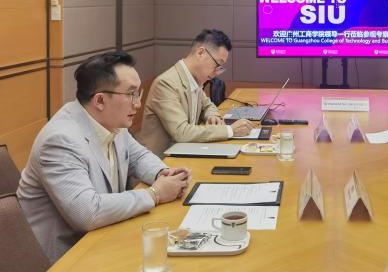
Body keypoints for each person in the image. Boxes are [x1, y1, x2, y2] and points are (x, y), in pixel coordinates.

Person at [17, 52, 190, 263]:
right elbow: (87, 213)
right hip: (66, 257)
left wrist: (163, 173)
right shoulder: (61, 140)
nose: (138, 103)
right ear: (100, 100)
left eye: (138, 94)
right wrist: (155, 194)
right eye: (132, 94)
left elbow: (138, 156)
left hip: (105, 236)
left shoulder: (111, 121)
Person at [137, 29, 253, 157]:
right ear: (200, 53)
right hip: (161, 162)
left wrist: (212, 116)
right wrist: (229, 130)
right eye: (217, 64)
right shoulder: (166, 84)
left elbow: (208, 105)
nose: (216, 73)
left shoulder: (194, 79)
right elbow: (182, 132)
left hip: (184, 153)